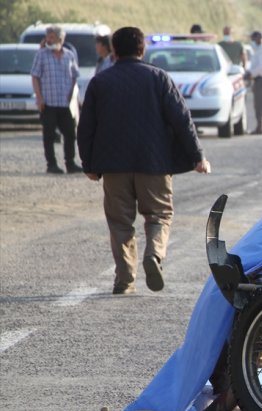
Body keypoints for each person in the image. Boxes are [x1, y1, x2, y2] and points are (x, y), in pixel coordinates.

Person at [77, 26, 211, 295]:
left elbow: (86, 126)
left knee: (120, 222)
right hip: (155, 163)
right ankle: (154, 254)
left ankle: (125, 279)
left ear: (114, 50)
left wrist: (89, 164)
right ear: (142, 49)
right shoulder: (159, 78)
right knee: (159, 215)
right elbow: (181, 119)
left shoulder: (100, 82)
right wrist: (197, 157)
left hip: (114, 166)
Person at [31, 25, 82, 174]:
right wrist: (39, 98)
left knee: (70, 134)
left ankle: (70, 163)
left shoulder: (69, 55)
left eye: (52, 37)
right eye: (48, 37)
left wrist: (72, 95)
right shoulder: (42, 55)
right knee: (49, 135)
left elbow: (74, 76)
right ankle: (51, 164)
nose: (49, 40)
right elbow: (35, 76)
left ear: (61, 38)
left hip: (65, 103)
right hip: (48, 102)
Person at [247, 31, 262, 135]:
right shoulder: (258, 49)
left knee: (260, 106)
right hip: (258, 80)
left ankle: (261, 128)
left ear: (259, 38)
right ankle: (259, 127)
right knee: (257, 106)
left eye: (254, 39)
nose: (252, 41)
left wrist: (251, 73)